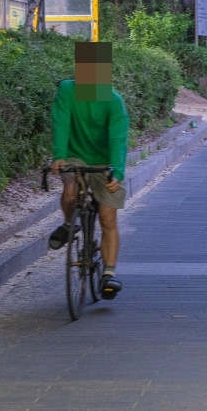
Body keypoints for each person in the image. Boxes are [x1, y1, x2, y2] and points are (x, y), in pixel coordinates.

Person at [49, 42, 129, 299]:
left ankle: (109, 273)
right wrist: (59, 156)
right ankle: (69, 223)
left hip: (105, 161)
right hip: (75, 156)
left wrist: (117, 172)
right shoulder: (67, 90)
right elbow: (61, 123)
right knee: (70, 187)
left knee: (107, 217)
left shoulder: (114, 101)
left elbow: (118, 139)